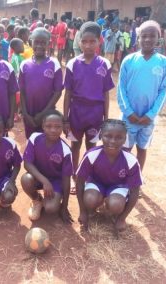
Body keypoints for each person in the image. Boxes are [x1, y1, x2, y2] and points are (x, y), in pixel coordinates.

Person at [64, 22, 114, 192]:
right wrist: (65, 118)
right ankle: (74, 176)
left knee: (91, 146)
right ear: (79, 42)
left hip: (95, 113)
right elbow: (68, 93)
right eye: (84, 41)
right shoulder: (72, 64)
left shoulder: (104, 64)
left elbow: (106, 93)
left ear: (99, 42)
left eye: (92, 41)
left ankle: (86, 175)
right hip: (76, 112)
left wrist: (106, 118)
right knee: (75, 146)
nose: (88, 45)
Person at [117, 20, 166, 171]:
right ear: (138, 38)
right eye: (144, 36)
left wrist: (151, 114)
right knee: (125, 149)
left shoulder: (163, 62)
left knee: (142, 149)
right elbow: (121, 88)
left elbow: (163, 91)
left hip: (149, 118)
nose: (147, 39)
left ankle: (137, 179)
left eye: (152, 36)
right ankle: (122, 176)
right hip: (129, 116)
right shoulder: (129, 60)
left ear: (158, 38)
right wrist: (129, 112)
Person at [76, 119, 142, 232]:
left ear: (125, 138)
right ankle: (94, 207)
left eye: (119, 137)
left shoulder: (131, 160)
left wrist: (122, 218)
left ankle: (111, 209)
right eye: (108, 136)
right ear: (101, 135)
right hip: (96, 183)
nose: (113, 141)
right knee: (90, 199)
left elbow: (135, 191)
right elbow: (80, 182)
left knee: (115, 205)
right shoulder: (91, 155)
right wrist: (83, 211)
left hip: (118, 186)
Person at [21, 110, 73, 223]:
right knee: (26, 179)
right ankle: (37, 200)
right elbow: (27, 163)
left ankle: (52, 200)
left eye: (57, 126)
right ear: (43, 126)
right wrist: (44, 181)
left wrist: (64, 207)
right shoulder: (34, 138)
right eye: (48, 126)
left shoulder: (66, 150)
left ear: (62, 128)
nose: (53, 130)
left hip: (55, 182)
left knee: (51, 208)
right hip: (38, 178)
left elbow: (66, 180)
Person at [19, 28, 63, 139]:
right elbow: (22, 90)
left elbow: (58, 91)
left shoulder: (54, 64)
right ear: (30, 43)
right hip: (29, 113)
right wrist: (24, 112)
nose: (39, 45)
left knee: (47, 141)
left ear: (49, 44)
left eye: (43, 43)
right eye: (36, 42)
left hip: (48, 113)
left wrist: (44, 113)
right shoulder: (24, 64)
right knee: (31, 140)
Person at [9, 38, 24, 122]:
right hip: (18, 82)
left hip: (18, 81)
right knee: (17, 99)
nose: (23, 47)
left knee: (19, 99)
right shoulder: (16, 58)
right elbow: (19, 72)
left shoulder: (18, 56)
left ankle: (18, 112)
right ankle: (15, 114)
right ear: (15, 47)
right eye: (21, 46)